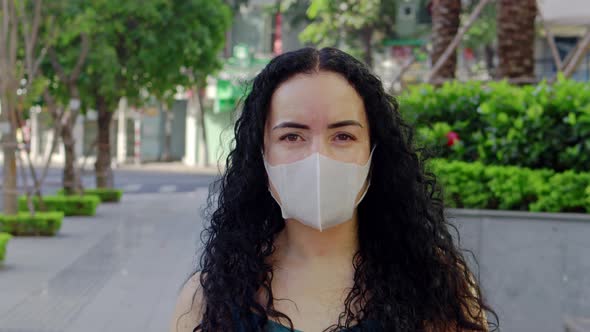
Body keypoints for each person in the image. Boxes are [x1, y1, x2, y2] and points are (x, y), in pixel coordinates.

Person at [170, 47, 498, 332]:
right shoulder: (207, 298)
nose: (318, 157)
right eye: (292, 136)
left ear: (374, 152)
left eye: (343, 136)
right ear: (262, 155)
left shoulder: (437, 285)